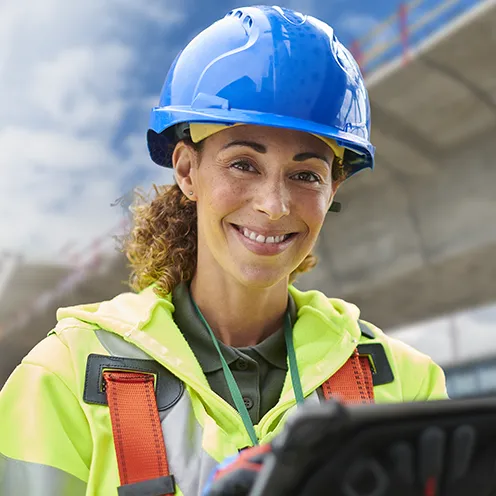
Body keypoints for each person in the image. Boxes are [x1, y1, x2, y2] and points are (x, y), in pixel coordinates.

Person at [0, 5, 447, 496]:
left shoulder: (405, 384)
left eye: (305, 175)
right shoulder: (62, 379)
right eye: (243, 165)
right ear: (187, 171)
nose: (275, 206)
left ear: (332, 190)